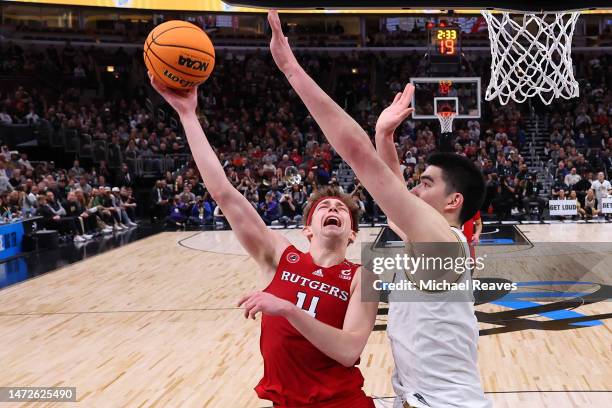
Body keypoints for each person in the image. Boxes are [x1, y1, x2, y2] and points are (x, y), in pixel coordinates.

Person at [268, 10, 490, 408]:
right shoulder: (432, 242)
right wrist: (383, 135)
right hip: (417, 399)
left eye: (426, 183)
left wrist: (290, 70)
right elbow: (393, 201)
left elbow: (362, 161)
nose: (414, 189)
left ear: (454, 201)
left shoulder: (443, 246)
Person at [148, 71, 378, 407]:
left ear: (352, 232)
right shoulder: (280, 256)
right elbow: (224, 193)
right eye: (324, 206)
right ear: (307, 229)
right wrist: (187, 115)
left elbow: (348, 351)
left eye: (341, 209)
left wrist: (288, 309)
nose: (333, 208)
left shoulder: (362, 275)